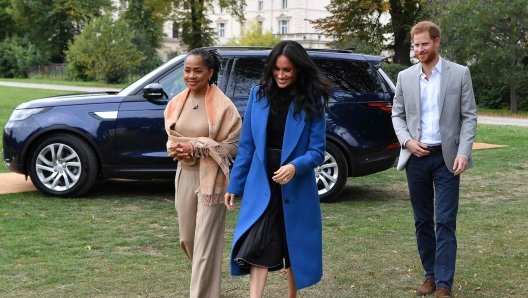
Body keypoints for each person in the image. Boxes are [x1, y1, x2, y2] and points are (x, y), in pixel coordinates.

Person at [224, 40, 330, 298]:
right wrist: (234, 185)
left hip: (295, 181)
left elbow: (317, 151)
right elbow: (247, 145)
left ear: (299, 70)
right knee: (258, 240)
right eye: (277, 69)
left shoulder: (313, 100)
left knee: (293, 244)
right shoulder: (257, 95)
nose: (281, 75)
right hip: (262, 180)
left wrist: (295, 166)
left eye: (288, 70)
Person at [391, 21, 477, 298]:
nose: (419, 49)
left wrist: (464, 152)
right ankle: (430, 275)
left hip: (448, 158)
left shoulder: (459, 73)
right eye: (416, 45)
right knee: (422, 221)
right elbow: (397, 115)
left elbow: (469, 117)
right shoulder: (405, 77)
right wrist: (407, 141)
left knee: (446, 221)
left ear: (437, 42)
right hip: (416, 158)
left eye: (424, 44)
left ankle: (443, 285)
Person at [164, 48, 242, 298]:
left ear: (210, 72)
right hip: (184, 176)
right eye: (187, 70)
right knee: (188, 239)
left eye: (198, 70)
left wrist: (198, 146)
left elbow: (234, 146)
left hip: (212, 180)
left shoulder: (224, 106)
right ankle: (209, 289)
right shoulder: (177, 102)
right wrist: (177, 149)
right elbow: (172, 137)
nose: (191, 75)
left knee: (206, 244)